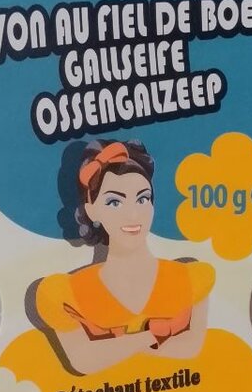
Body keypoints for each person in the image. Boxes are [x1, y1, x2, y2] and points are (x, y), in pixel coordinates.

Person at [35, 139, 215, 375]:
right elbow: (83, 361)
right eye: (114, 202)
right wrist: (151, 336)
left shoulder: (190, 279)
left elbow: (191, 347)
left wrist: (114, 349)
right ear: (91, 210)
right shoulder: (67, 294)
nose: (133, 214)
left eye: (142, 199)